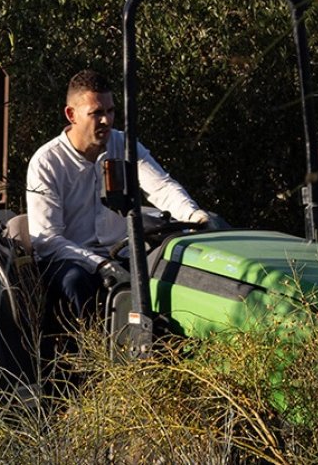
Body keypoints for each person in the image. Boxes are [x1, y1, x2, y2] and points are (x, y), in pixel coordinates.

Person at [25, 69, 212, 320]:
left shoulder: (124, 145)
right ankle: (79, 355)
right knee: (75, 282)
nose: (106, 121)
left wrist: (194, 215)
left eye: (110, 111)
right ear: (72, 115)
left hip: (120, 253)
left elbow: (161, 187)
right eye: (96, 113)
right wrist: (99, 264)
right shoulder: (47, 162)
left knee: (170, 274)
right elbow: (47, 241)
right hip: (71, 258)